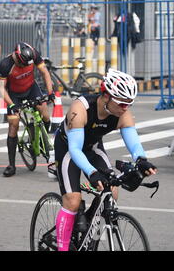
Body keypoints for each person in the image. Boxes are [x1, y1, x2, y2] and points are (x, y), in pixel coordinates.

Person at [53, 69, 157, 251]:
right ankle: (63, 246)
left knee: (113, 192)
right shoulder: (80, 109)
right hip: (69, 148)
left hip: (92, 147)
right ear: (107, 96)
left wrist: (141, 160)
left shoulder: (122, 113)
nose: (126, 108)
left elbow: (134, 143)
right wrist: (92, 173)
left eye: (129, 104)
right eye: (122, 103)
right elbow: (75, 149)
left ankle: (88, 230)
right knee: (73, 200)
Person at [0, 42, 55, 177]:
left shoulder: (33, 53)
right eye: (22, 64)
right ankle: (11, 165)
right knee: (14, 123)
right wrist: (12, 105)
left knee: (45, 114)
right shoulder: (6, 65)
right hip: (14, 94)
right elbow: (0, 88)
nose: (24, 67)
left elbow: (44, 72)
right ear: (17, 57)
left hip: (31, 88)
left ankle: (41, 141)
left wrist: (50, 92)